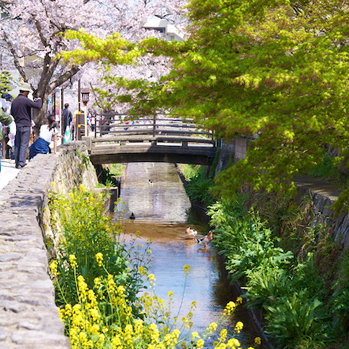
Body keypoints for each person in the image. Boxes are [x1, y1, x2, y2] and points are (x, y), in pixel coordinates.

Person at [11, 82, 42, 168]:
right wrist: (39, 99)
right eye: (27, 92)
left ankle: (17, 163)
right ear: (25, 92)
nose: (28, 94)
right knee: (24, 144)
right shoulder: (26, 100)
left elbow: (12, 113)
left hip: (18, 124)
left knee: (17, 144)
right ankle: (22, 162)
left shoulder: (14, 101)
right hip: (26, 124)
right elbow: (38, 106)